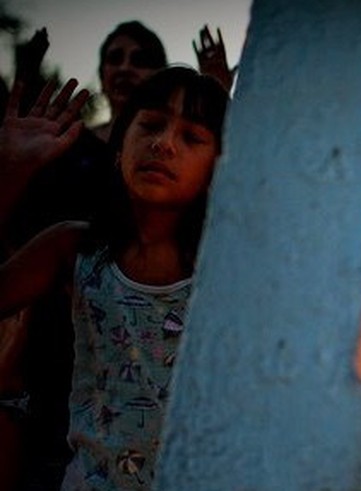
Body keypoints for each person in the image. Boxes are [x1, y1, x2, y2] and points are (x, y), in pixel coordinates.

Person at [0, 65, 228, 490]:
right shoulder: (74, 248)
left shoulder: (228, 267)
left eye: (191, 137)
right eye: (151, 126)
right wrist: (9, 172)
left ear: (218, 168)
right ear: (119, 148)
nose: (163, 144)